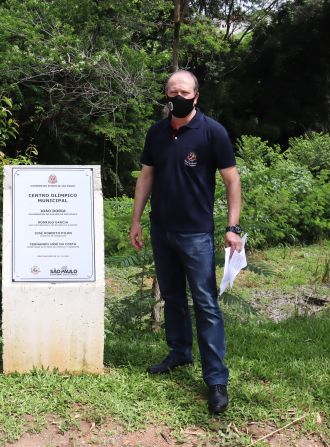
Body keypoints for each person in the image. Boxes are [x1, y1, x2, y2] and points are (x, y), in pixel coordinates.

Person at [129, 70, 242, 414]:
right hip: (162, 230)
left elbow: (232, 181)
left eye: (184, 91)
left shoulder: (212, 132)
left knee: (205, 303)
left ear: (197, 95)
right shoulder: (157, 133)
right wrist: (136, 219)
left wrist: (232, 225)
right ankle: (179, 353)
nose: (178, 96)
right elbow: (146, 176)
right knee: (173, 298)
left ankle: (216, 380)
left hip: (196, 234)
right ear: (166, 95)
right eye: (172, 91)